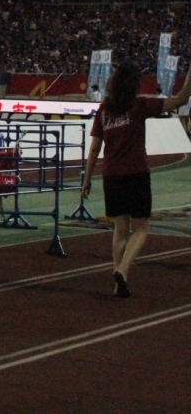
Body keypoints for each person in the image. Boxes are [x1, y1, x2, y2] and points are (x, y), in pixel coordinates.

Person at [81, 59, 191, 297]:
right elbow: (181, 99)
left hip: (112, 176)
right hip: (136, 173)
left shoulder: (104, 110)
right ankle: (122, 269)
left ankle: (119, 280)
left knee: (120, 230)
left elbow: (94, 148)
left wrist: (86, 179)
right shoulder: (140, 105)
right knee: (141, 229)